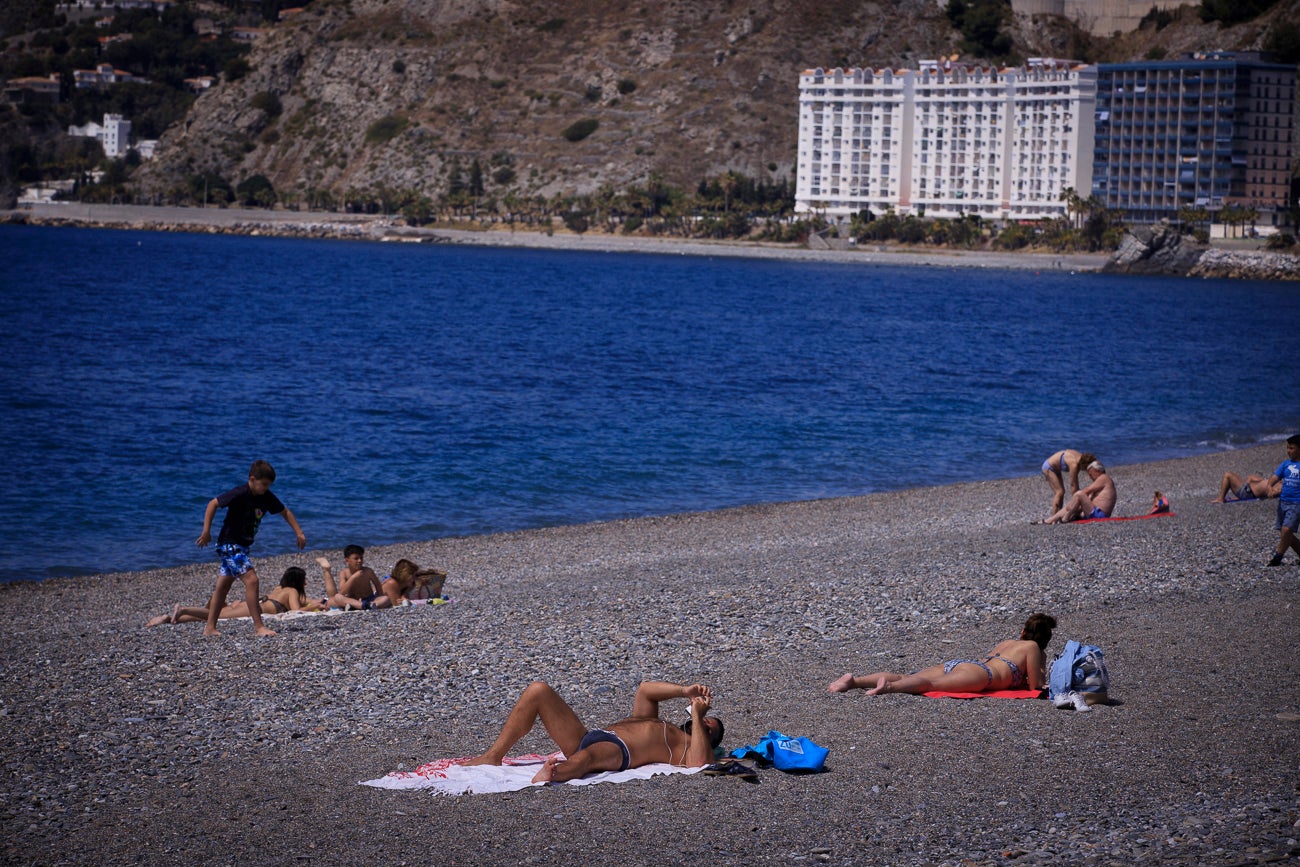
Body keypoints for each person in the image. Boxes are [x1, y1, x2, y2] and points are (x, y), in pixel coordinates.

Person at [462, 680, 724, 784]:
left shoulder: (687, 747)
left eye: (710, 725)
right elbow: (645, 689)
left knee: (587, 759)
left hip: (618, 751)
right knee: (538, 690)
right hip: (590, 737)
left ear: (710, 737)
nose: (705, 719)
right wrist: (684, 692)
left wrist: (700, 719)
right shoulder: (659, 723)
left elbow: (699, 764)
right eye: (707, 718)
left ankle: (553, 774)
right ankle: (494, 755)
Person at [197, 460, 306, 637]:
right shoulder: (240, 493)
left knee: (223, 587)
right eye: (263, 484)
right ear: (252, 479)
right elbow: (213, 504)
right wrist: (206, 531)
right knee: (252, 580)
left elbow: (285, 511)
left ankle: (209, 628)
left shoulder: (266, 496)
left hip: (242, 546)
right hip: (229, 544)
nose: (265, 488)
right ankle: (259, 627)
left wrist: (299, 533)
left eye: (268, 485)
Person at [827, 613, 1056, 696]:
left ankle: (854, 681)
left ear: (1022, 631)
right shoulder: (1033, 648)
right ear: (1043, 641)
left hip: (966, 664)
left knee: (907, 675)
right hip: (982, 675)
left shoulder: (1008, 642)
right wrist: (1042, 664)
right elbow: (1036, 685)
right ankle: (887, 688)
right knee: (928, 684)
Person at [146, 566, 327, 627]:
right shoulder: (292, 591)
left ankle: (169, 618)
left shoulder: (280, 588)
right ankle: (183, 609)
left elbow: (305, 601)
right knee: (215, 615)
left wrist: (317, 602)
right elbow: (296, 611)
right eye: (304, 580)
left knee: (211, 616)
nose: (306, 583)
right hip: (253, 608)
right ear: (297, 581)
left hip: (251, 604)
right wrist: (312, 607)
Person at [1042, 458, 1116, 524]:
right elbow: (1088, 497)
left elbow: (1086, 491)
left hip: (1100, 515)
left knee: (1080, 494)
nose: (1090, 477)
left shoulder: (1104, 478)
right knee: (1075, 502)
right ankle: (1051, 519)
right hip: (1094, 512)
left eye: (1091, 474)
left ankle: (1065, 518)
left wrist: (1075, 497)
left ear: (1098, 471)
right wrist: (1074, 503)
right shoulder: (1100, 483)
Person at [317, 545, 389, 610]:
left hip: (369, 599)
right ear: (347, 561)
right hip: (352, 600)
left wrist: (380, 595)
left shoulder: (368, 571)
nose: (360, 561)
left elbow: (377, 584)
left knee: (386, 598)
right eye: (356, 558)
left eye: (361, 558)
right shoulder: (344, 573)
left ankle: (367, 605)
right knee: (337, 597)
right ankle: (361, 605)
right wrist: (353, 577)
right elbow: (342, 592)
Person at [1266, 435, 1300, 567]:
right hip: (1283, 502)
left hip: (1296, 503)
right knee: (1285, 534)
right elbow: (1275, 477)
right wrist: (1270, 486)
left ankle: (1277, 558)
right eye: (1287, 448)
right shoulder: (1286, 464)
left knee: (1286, 530)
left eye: (1292, 448)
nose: (1288, 451)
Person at [1040, 449, 1092, 515]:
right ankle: (1053, 517)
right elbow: (1073, 485)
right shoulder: (1074, 465)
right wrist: (1078, 501)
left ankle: (1058, 514)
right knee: (1059, 492)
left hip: (1055, 468)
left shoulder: (1080, 457)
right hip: (1048, 467)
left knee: (1062, 491)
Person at [381, 558, 447, 605]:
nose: (415, 579)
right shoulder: (392, 583)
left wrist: (407, 591)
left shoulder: (400, 585)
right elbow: (397, 605)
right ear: (407, 576)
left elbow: (402, 600)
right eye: (414, 576)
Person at [1213, 471, 1281, 503]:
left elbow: (1272, 494)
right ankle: (1222, 497)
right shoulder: (1279, 483)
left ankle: (1220, 498)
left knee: (1227, 475)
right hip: (1248, 489)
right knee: (1251, 477)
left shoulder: (1281, 487)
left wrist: (1272, 492)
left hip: (1247, 492)